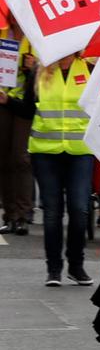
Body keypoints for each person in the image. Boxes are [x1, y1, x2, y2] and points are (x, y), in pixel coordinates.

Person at [29, 53, 96, 286]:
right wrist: (9, 102)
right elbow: (28, 108)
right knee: (52, 212)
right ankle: (54, 268)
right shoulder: (40, 71)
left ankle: (76, 265)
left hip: (80, 151)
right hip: (45, 151)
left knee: (79, 209)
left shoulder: (89, 69)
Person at [0, 46, 36, 235]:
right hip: (3, 102)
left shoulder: (35, 37)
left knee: (21, 159)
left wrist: (33, 67)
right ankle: (10, 216)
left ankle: (22, 216)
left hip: (24, 106)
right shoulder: (3, 31)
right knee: (4, 160)